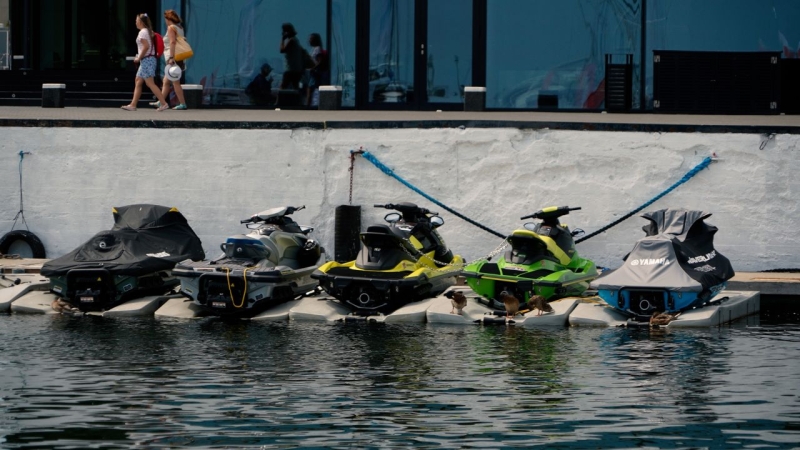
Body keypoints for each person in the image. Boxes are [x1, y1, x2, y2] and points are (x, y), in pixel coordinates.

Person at [121, 13, 169, 111]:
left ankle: (163, 103)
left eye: (137, 21)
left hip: (147, 60)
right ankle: (133, 104)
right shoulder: (147, 31)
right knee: (138, 81)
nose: (135, 22)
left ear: (141, 22)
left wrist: (139, 58)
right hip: (148, 60)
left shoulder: (142, 32)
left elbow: (146, 46)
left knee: (150, 83)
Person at [153, 9, 187, 110]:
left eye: (165, 19)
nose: (165, 21)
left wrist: (171, 57)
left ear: (168, 18)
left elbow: (172, 42)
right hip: (179, 57)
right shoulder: (180, 27)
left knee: (175, 81)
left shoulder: (171, 28)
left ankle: (182, 103)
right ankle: (161, 102)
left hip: (173, 57)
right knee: (166, 81)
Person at [306, 33, 330, 107]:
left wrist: (313, 68)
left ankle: (308, 106)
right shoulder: (314, 49)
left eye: (311, 39)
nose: (309, 41)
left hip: (315, 73)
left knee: (310, 90)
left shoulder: (317, 49)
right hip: (314, 73)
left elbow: (320, 61)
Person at [279, 23, 304, 90]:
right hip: (296, 69)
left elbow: (282, 50)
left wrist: (282, 39)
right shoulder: (296, 40)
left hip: (290, 69)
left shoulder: (292, 40)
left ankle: (279, 100)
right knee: (295, 87)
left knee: (283, 86)